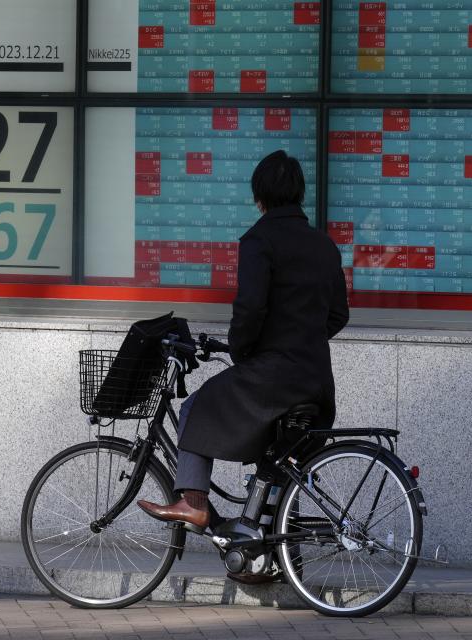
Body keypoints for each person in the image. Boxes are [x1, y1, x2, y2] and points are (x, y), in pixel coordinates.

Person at [138, 150, 349, 532]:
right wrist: (301, 338)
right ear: (300, 194)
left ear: (260, 197)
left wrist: (244, 351)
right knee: (278, 464)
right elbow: (338, 316)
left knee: (194, 409)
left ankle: (193, 501)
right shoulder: (324, 246)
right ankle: (265, 550)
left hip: (275, 376)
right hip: (317, 381)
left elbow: (250, 310)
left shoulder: (260, 240)